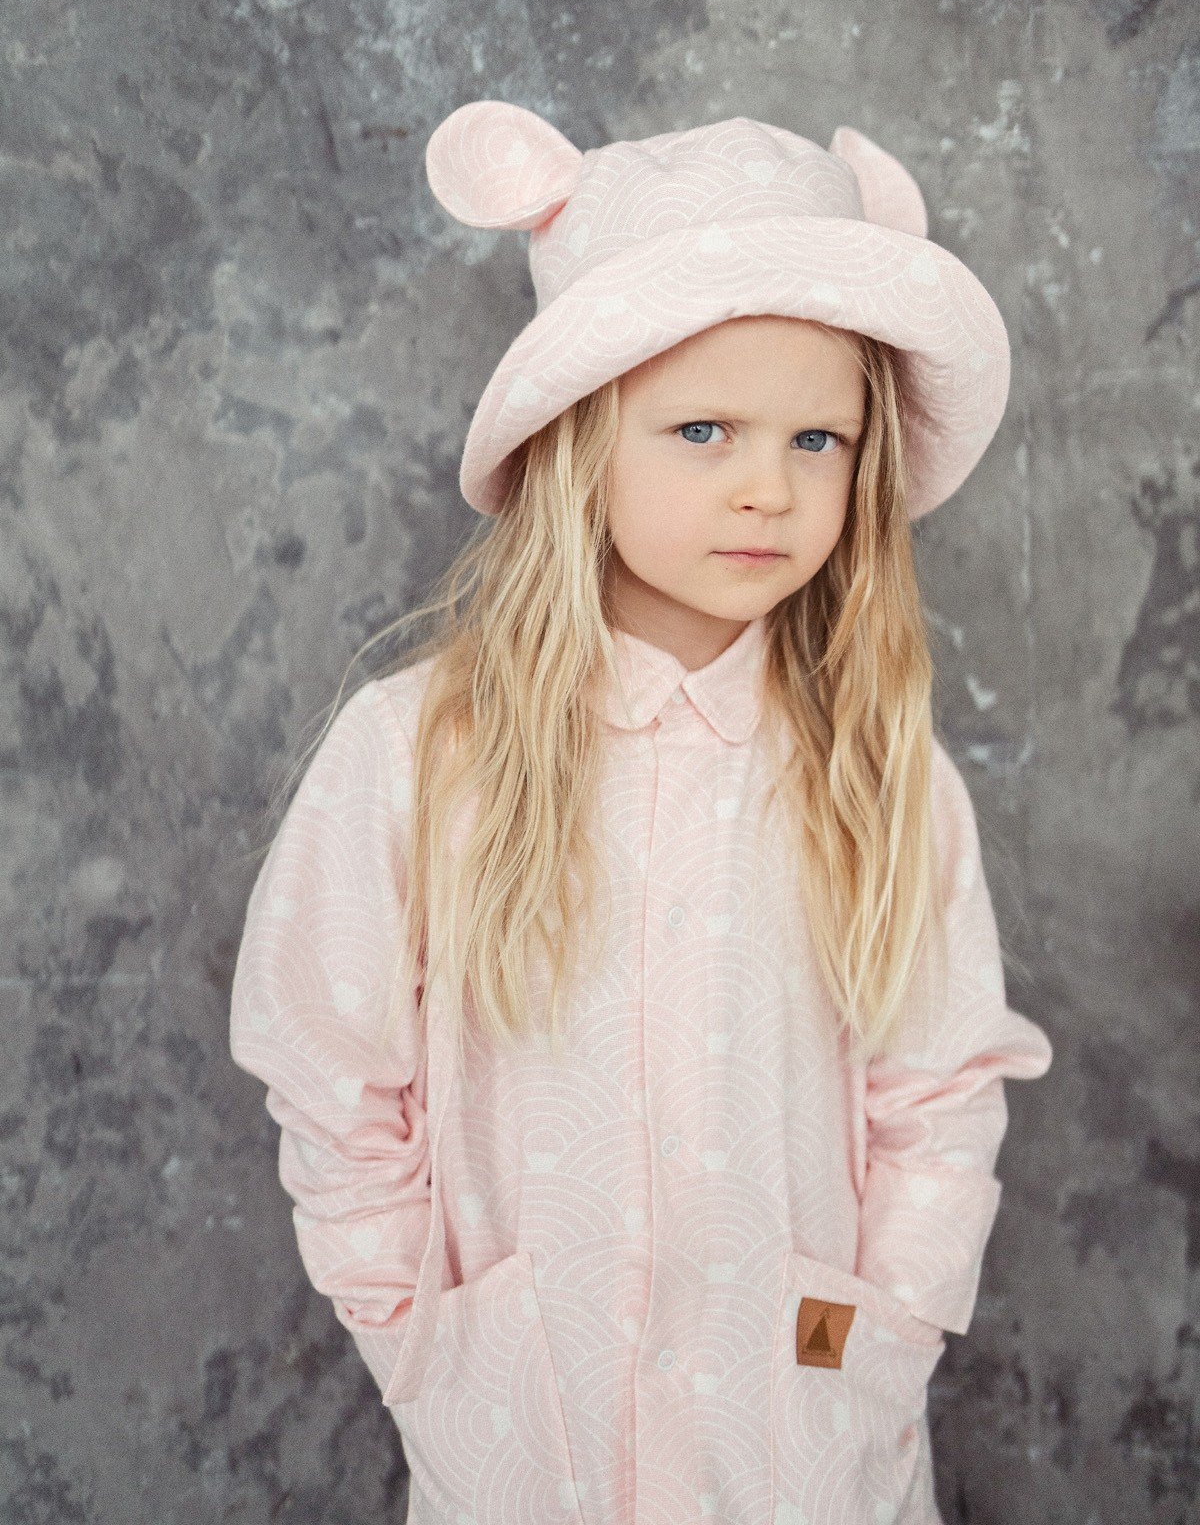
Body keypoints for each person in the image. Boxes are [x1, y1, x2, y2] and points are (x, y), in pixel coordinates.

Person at [228, 101, 1055, 1525]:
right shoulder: (418, 754)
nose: (767, 487)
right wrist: (423, 1342)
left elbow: (937, 1091)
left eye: (817, 438)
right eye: (702, 429)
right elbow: (332, 1072)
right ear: (575, 443)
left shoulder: (878, 768)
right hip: (523, 1450)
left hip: (808, 1457)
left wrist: (876, 1341)